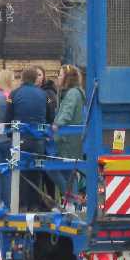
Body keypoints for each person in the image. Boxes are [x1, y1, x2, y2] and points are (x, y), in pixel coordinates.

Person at [7, 66, 54, 210]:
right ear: (35, 79)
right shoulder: (44, 95)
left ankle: (21, 205)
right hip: (38, 141)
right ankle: (34, 205)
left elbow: (8, 118)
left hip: (19, 140)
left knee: (19, 172)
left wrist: (10, 135)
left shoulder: (14, 94)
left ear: (22, 78)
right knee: (36, 172)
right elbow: (50, 117)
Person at [51, 65, 85, 207]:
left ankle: (72, 202)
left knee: (53, 168)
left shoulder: (72, 94)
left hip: (67, 141)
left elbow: (67, 112)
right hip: (72, 141)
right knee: (70, 173)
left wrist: (57, 124)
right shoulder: (74, 93)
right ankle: (72, 204)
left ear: (67, 78)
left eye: (60, 75)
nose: (58, 77)